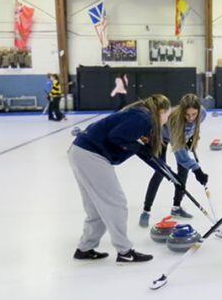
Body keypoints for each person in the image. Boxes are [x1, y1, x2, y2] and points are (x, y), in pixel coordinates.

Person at [69, 94, 172, 263]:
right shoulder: (144, 118)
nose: (166, 120)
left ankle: (85, 248)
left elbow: (140, 150)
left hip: (80, 151)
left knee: (97, 207)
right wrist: (140, 148)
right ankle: (125, 251)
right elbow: (116, 137)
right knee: (115, 203)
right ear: (161, 111)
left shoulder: (138, 115)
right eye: (167, 116)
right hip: (91, 155)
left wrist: (164, 170)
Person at [139, 94, 206, 226]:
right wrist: (197, 170)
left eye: (194, 114)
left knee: (183, 171)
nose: (191, 118)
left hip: (179, 138)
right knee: (160, 171)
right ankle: (146, 210)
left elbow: (191, 130)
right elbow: (179, 152)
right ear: (182, 112)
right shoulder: (174, 119)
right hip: (161, 137)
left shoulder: (202, 114)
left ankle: (176, 207)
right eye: (187, 115)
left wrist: (191, 140)